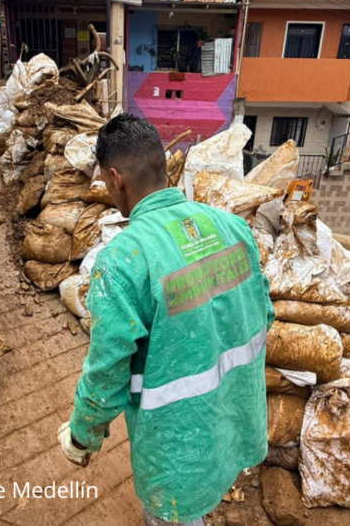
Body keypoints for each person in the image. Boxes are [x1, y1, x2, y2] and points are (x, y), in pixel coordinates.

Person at [56, 115, 274, 526]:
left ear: (116, 178)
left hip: (176, 449)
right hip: (235, 419)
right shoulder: (233, 227)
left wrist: (83, 435)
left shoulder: (123, 261)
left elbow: (107, 370)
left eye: (106, 182)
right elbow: (265, 313)